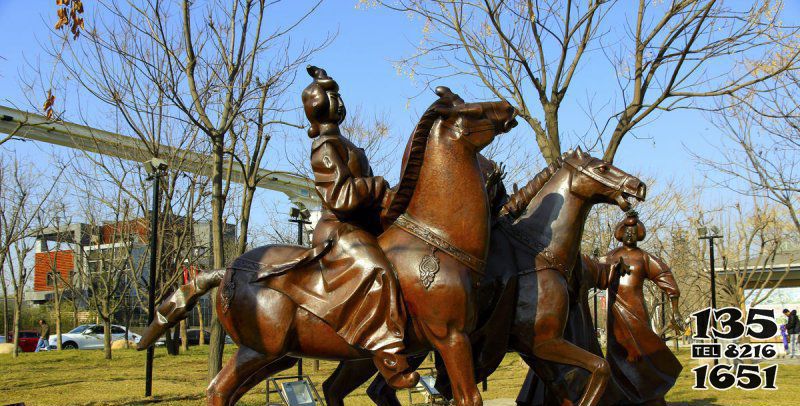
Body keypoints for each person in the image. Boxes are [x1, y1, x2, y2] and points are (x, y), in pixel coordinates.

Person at [297, 65, 417, 389]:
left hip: (362, 226)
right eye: (332, 95)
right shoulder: (325, 146)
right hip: (339, 230)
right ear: (319, 103)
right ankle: (390, 358)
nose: (338, 100)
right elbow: (340, 196)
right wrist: (376, 185)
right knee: (379, 271)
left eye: (338, 94)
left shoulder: (347, 143)